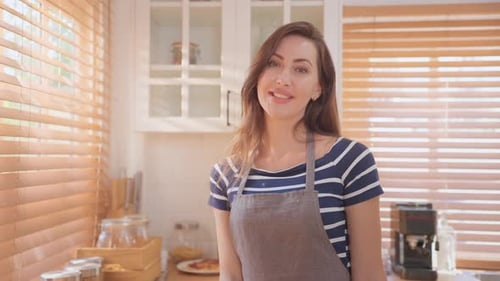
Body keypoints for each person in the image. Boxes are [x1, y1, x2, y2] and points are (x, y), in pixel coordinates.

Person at [208, 21, 386, 281]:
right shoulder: (226, 174)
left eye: (301, 69)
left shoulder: (350, 161)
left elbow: (370, 275)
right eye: (273, 63)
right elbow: (231, 274)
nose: (283, 79)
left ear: (319, 88)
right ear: (258, 74)